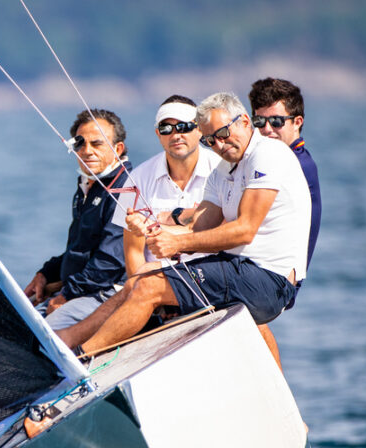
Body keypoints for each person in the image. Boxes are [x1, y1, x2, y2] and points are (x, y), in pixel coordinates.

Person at [56, 92, 310, 358]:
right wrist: (151, 229)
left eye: (223, 133)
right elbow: (200, 226)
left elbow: (244, 230)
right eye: (211, 140)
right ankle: (74, 345)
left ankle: (80, 358)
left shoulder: (267, 153)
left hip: (268, 278)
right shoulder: (222, 170)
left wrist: (176, 242)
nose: (219, 144)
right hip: (238, 268)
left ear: (245, 121)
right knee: (142, 279)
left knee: (150, 286)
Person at [23, 109, 132, 330]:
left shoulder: (126, 189)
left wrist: (66, 295)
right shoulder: (87, 186)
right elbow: (81, 249)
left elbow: (110, 262)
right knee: (16, 323)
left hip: (109, 293)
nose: (87, 151)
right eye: (80, 144)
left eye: (97, 144)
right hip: (81, 289)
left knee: (44, 332)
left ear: (118, 149)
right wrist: (46, 274)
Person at [248, 77, 322, 368]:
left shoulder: (295, 165)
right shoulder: (271, 159)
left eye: (277, 121)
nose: (267, 130)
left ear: (297, 122)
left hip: (281, 275)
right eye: (260, 121)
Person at [111, 95, 221, 277]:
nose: (176, 135)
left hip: (211, 276)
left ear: (200, 129)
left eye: (184, 127)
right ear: (158, 134)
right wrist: (140, 286)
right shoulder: (137, 178)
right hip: (154, 279)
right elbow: (133, 252)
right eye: (166, 128)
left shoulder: (222, 170)